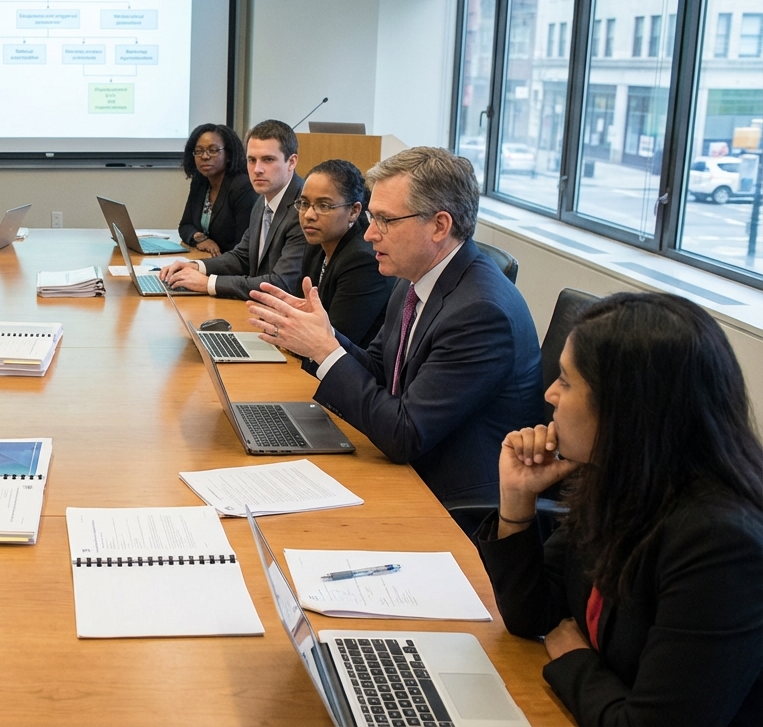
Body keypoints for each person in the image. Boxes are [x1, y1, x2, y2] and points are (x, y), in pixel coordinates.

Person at [478, 292, 763, 724]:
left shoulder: (719, 544)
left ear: (625, 406)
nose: (551, 394)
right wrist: (517, 503)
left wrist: (574, 658)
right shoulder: (621, 482)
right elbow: (534, 614)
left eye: (567, 382)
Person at [246, 146, 540, 504]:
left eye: (386, 220)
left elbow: (406, 434)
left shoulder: (480, 312)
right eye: (371, 218)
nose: (370, 234)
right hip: (406, 468)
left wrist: (326, 351)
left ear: (439, 225)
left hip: (452, 502)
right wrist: (319, 336)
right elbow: (381, 371)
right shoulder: (414, 278)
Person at [158, 119, 307, 300]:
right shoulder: (263, 201)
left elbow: (281, 284)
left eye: (268, 160)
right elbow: (242, 256)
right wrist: (196, 266)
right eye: (251, 160)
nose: (257, 169)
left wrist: (207, 283)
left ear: (291, 162)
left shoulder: (304, 209)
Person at [292, 159, 393, 349]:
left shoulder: (363, 261)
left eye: (324, 206)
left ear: (354, 211)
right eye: (304, 203)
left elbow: (335, 342)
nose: (309, 215)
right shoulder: (317, 244)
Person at [176, 123, 258, 255]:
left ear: (229, 154)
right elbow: (185, 226)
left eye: (213, 150)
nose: (204, 156)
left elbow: (243, 246)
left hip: (232, 266)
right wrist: (201, 239)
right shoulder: (200, 181)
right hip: (208, 259)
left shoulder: (242, 186)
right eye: (198, 151)